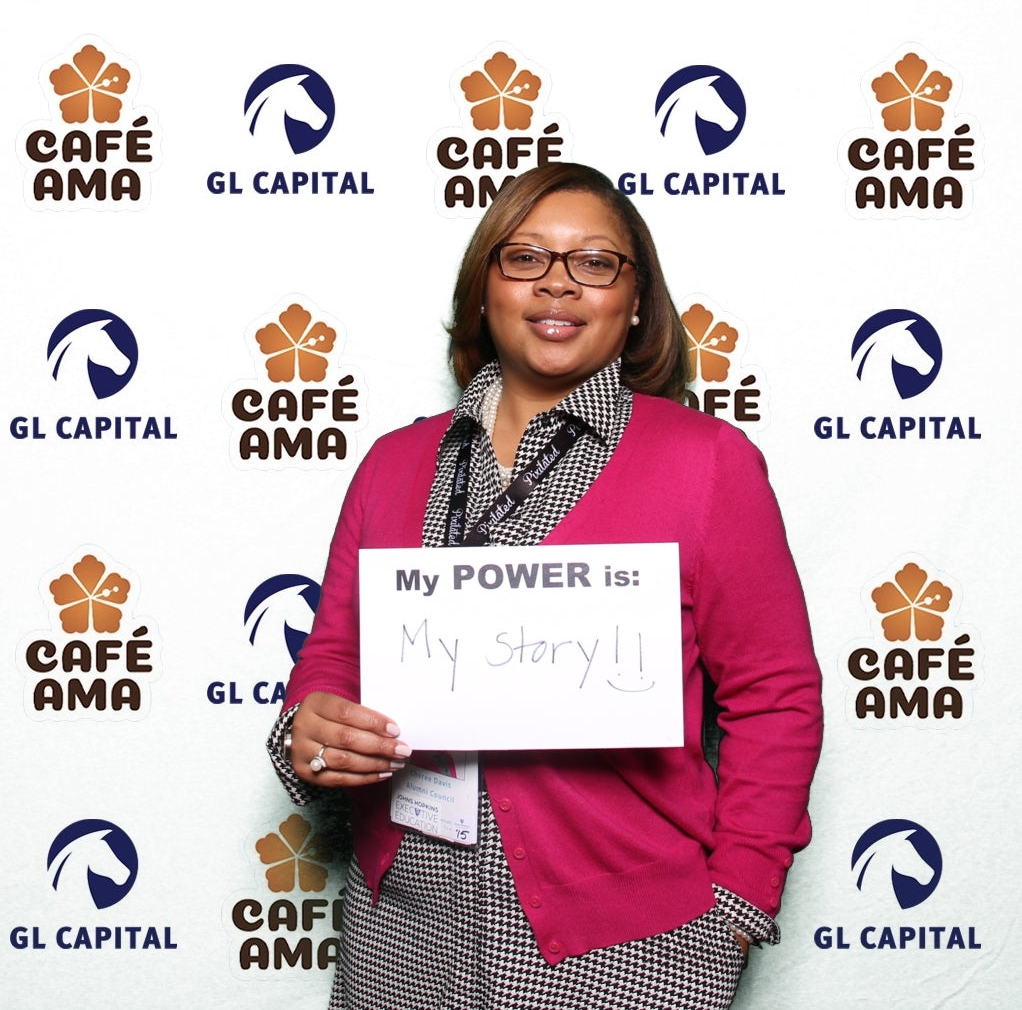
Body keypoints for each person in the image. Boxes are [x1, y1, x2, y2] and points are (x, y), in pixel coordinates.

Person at [267, 162, 823, 1010]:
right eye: (524, 258)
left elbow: (774, 699)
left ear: (635, 301)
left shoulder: (708, 466)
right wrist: (311, 727)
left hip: (630, 949)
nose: (557, 283)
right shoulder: (393, 463)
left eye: (596, 262)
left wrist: (736, 906)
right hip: (401, 934)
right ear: (483, 285)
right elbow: (336, 653)